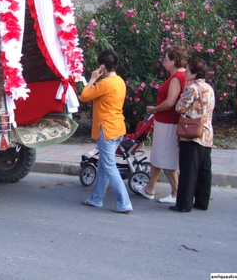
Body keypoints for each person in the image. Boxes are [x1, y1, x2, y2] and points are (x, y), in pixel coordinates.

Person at [79, 50, 133, 214]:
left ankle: (124, 203)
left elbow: (84, 95)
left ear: (103, 66)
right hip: (117, 128)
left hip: (107, 130)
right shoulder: (119, 81)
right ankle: (96, 199)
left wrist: (93, 78)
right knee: (103, 165)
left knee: (109, 167)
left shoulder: (105, 83)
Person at [134, 46, 187, 203]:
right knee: (158, 155)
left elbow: (170, 102)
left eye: (166, 59)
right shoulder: (181, 76)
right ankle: (150, 187)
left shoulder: (177, 77)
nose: (164, 62)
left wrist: (155, 109)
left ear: (174, 60)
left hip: (168, 122)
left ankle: (176, 192)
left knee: (166, 157)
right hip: (166, 122)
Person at [170, 57, 215, 212]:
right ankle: (202, 201)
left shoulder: (193, 88)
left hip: (192, 133)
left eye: (188, 70)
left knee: (188, 170)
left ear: (195, 73)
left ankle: (184, 203)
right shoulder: (209, 88)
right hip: (207, 133)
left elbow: (179, 107)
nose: (186, 73)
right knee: (204, 170)